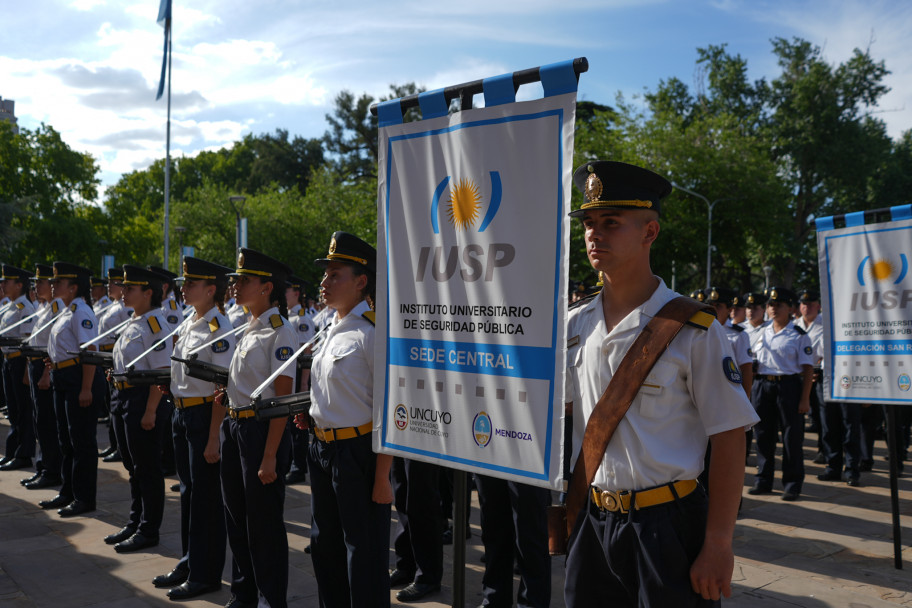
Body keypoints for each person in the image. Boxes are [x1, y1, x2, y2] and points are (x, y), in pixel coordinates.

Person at [563, 161, 759, 607]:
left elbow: (729, 437)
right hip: (593, 518)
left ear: (649, 232)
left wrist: (718, 544)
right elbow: (570, 410)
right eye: (590, 223)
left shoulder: (694, 329)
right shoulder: (576, 324)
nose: (595, 234)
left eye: (611, 223)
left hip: (666, 525)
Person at [298, 231, 393, 608]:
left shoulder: (373, 332)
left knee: (363, 553)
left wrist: (383, 475)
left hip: (359, 452)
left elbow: (390, 408)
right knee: (325, 546)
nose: (324, 282)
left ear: (361, 281)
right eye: (325, 275)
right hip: (322, 448)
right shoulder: (331, 327)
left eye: (335, 274)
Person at [152, 257, 235, 600]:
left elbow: (221, 387)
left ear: (211, 290)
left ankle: (206, 574)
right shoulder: (191, 321)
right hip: (183, 414)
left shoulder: (219, 329)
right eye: (184, 283)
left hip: (205, 418)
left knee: (205, 500)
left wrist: (215, 435)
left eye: (191, 284)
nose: (183, 288)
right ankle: (189, 560)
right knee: (188, 494)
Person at [221, 248, 297, 608]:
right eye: (236, 279)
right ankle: (244, 593)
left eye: (244, 280)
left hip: (261, 434)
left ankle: (270, 599)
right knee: (237, 519)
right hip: (235, 428)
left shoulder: (279, 331)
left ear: (266, 287)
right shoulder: (249, 326)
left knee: (263, 526)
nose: (235, 285)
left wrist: (269, 456)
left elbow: (282, 399)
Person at [106, 265, 173, 552]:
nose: (123, 292)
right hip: (122, 398)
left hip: (142, 401)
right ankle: (135, 522)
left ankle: (149, 529)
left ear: (148, 293)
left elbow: (161, 374)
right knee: (132, 466)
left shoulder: (155, 325)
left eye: (130, 288)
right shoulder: (134, 321)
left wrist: (150, 411)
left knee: (147, 468)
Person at [40, 262, 104, 517]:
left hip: (79, 378)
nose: (53, 285)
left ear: (74, 287)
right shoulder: (67, 310)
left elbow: (90, 351)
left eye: (58, 282)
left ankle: (84, 497)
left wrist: (86, 388)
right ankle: (68, 491)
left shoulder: (81, 312)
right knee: (65, 439)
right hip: (63, 376)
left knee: (82, 442)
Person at [749, 287, 814, 501]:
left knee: (791, 437)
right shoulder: (761, 332)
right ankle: (763, 479)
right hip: (763, 385)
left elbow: (807, 369)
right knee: (763, 435)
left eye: (779, 305)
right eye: (771, 305)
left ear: (790, 309)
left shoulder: (798, 335)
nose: (773, 308)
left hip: (788, 386)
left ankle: (792, 483)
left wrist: (805, 398)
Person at [474, 475, 550, 608]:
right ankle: (494, 598)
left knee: (529, 534)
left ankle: (531, 603)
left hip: (528, 461)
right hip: (489, 458)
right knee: (493, 526)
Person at [20, 264, 64, 489]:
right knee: (39, 420)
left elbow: (54, 346)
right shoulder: (43, 307)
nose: (36, 287)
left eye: (41, 282)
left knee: (47, 422)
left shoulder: (57, 307)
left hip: (46, 366)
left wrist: (47, 373)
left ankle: (51, 470)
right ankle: (43, 466)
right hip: (35, 365)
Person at [0, 265, 38, 472]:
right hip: (8, 360)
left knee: (23, 410)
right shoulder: (11, 306)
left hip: (19, 361)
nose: (3, 285)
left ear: (19, 285)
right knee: (13, 410)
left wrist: (25, 370)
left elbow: (27, 343)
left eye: (8, 281)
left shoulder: (26, 308)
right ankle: (14, 451)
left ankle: (24, 453)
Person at [284, 275, 313, 485]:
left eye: (287, 291)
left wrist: (303, 384)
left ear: (296, 293)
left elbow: (306, 354)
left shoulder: (302, 319)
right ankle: (289, 462)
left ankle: (298, 466)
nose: (284, 295)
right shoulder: (285, 317)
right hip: (287, 374)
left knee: (297, 425)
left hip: (297, 377)